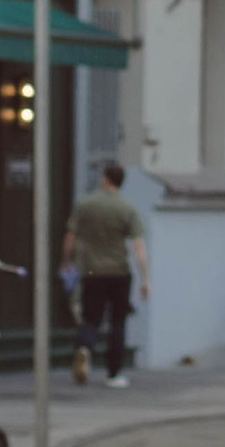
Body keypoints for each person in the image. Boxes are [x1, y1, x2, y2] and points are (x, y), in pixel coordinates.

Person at [65, 162, 147, 388]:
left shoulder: (86, 204)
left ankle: (84, 347)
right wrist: (145, 278)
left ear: (105, 179)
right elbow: (138, 246)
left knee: (91, 317)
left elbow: (70, 236)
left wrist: (66, 261)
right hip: (119, 271)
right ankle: (114, 373)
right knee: (118, 321)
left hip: (92, 271)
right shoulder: (127, 208)